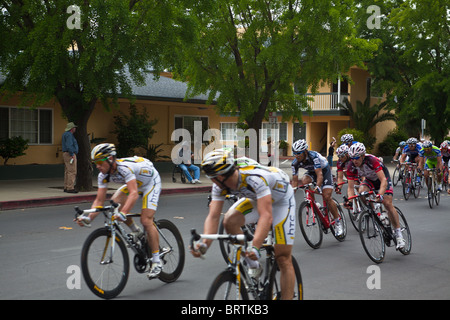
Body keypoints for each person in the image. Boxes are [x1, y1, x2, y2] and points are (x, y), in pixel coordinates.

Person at [191, 148, 296, 300]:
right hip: (256, 198)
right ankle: (254, 266)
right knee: (229, 221)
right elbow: (213, 217)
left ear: (221, 176)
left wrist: (256, 246)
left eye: (212, 178)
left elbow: (266, 216)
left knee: (283, 257)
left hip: (281, 200)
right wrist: (204, 244)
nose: (211, 181)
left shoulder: (255, 179)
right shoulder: (219, 185)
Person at [75, 143, 163, 279]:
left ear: (110, 159)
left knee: (146, 220)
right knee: (114, 204)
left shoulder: (124, 169)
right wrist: (89, 218)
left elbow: (133, 194)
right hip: (135, 182)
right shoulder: (102, 175)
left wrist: (123, 213)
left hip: (150, 182)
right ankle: (136, 231)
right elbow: (99, 201)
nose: (97, 166)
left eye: (99, 162)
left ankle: (156, 262)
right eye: (95, 163)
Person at [345, 142, 406, 249]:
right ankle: (375, 212)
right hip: (370, 180)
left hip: (382, 179)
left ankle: (399, 234)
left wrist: (380, 195)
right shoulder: (351, 166)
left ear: (363, 156)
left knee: (387, 203)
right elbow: (350, 188)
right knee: (361, 191)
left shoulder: (372, 160)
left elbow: (383, 180)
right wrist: (350, 201)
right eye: (352, 158)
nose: (354, 160)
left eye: (357, 158)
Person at [290, 139, 343, 236]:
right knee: (304, 180)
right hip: (311, 172)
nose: (296, 156)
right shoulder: (294, 163)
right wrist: (291, 195)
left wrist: (318, 186)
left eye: (299, 153)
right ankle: (314, 203)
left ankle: (337, 223)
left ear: (305, 151)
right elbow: (294, 180)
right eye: (294, 153)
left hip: (323, 171)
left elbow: (320, 175)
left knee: (327, 197)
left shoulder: (314, 157)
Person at [62, 122, 79, 193]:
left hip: (66, 153)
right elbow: (69, 145)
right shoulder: (69, 135)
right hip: (70, 154)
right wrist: (72, 154)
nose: (75, 129)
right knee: (72, 171)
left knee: (67, 171)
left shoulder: (65, 134)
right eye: (74, 127)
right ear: (72, 129)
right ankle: (70, 187)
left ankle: (66, 186)